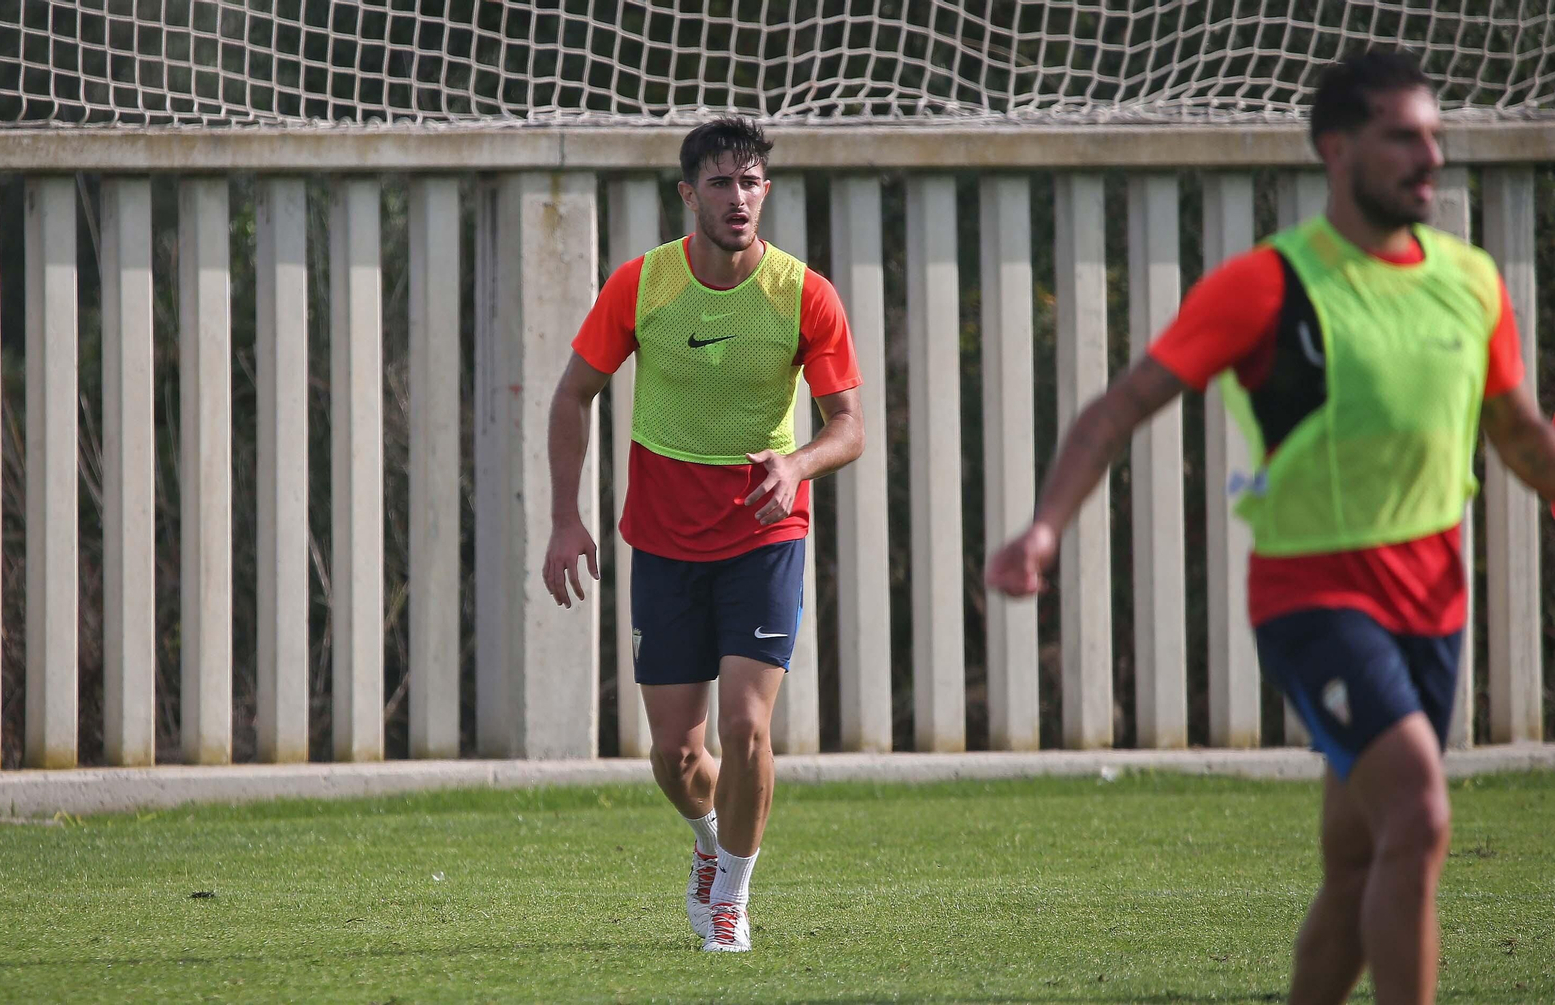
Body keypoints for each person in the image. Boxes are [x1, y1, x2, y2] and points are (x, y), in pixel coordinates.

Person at [987, 49, 1555, 1005]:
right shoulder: (1268, 285)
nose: (1431, 158)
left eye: (1437, 136)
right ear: (1335, 149)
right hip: (1314, 596)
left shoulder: (1473, 281)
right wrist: (1045, 527)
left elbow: (1515, 432)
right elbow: (1117, 408)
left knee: (1357, 861)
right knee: (1417, 816)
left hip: (1436, 603)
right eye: (1403, 137)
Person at [542, 117, 865, 953]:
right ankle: (708, 842)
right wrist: (565, 516)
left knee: (747, 727)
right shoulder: (642, 284)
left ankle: (732, 895)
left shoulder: (805, 294)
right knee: (676, 756)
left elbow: (850, 427)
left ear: (767, 190)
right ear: (689, 195)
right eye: (720, 183)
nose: (738, 197)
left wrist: (796, 467)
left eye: (751, 181)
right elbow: (572, 394)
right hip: (663, 542)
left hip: (765, 536)